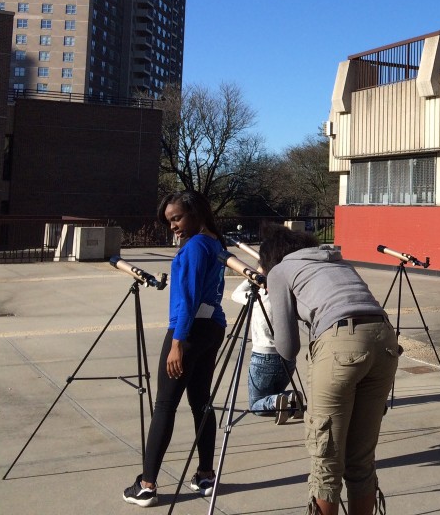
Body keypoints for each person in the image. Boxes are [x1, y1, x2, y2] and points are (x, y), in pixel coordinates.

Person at [261, 225, 399, 515]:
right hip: (385, 341)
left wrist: (277, 298)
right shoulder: (335, 261)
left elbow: (287, 348)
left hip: (340, 347)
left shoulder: (280, 272)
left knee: (326, 462)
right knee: (361, 460)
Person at [123, 191, 227, 507]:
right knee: (201, 402)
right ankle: (206, 474)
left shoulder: (195, 246)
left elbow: (190, 297)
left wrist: (177, 343)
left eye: (177, 218)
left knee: (165, 405)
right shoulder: (216, 243)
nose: (173, 227)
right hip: (212, 326)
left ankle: (147, 484)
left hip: (189, 330)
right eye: (170, 222)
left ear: (195, 213)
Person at [229, 277, 303, 423]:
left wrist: (252, 277)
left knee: (256, 405)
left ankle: (276, 402)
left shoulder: (258, 296)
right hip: (288, 356)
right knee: (273, 391)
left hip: (263, 356)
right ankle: (291, 397)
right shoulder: (289, 295)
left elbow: (235, 294)